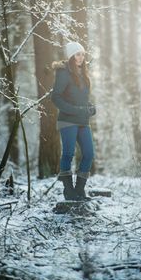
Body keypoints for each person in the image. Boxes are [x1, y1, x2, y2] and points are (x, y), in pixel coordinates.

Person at [51, 42, 96, 201]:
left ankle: (79, 190)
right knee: (68, 154)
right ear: (70, 56)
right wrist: (75, 110)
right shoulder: (63, 73)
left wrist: (90, 107)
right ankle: (68, 190)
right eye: (77, 54)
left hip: (83, 121)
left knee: (89, 154)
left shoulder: (83, 73)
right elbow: (55, 97)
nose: (81, 58)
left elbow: (82, 98)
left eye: (83, 54)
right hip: (68, 120)